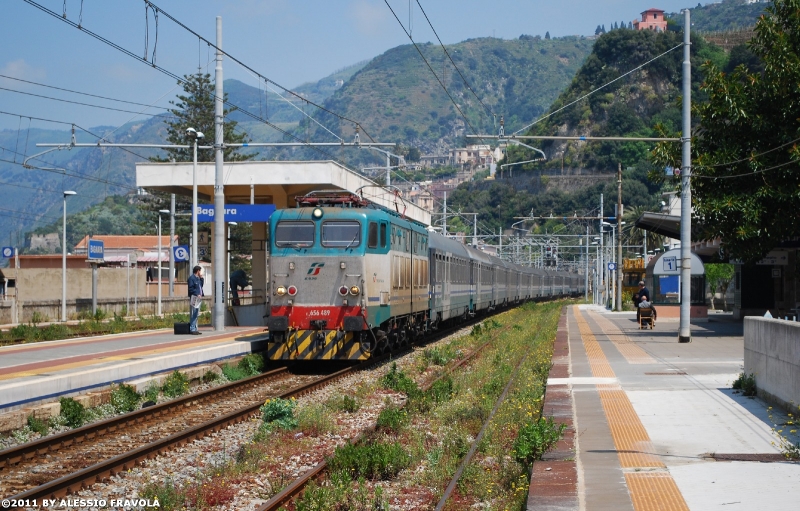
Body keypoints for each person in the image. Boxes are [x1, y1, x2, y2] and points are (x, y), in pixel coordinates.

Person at [188, 265, 204, 334]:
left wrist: (201, 278)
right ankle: (192, 328)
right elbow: (191, 288)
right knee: (194, 313)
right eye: (200, 271)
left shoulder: (198, 278)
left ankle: (194, 328)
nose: (201, 272)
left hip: (199, 298)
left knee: (197, 313)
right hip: (194, 297)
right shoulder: (191, 278)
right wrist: (197, 294)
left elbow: (201, 286)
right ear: (198, 271)